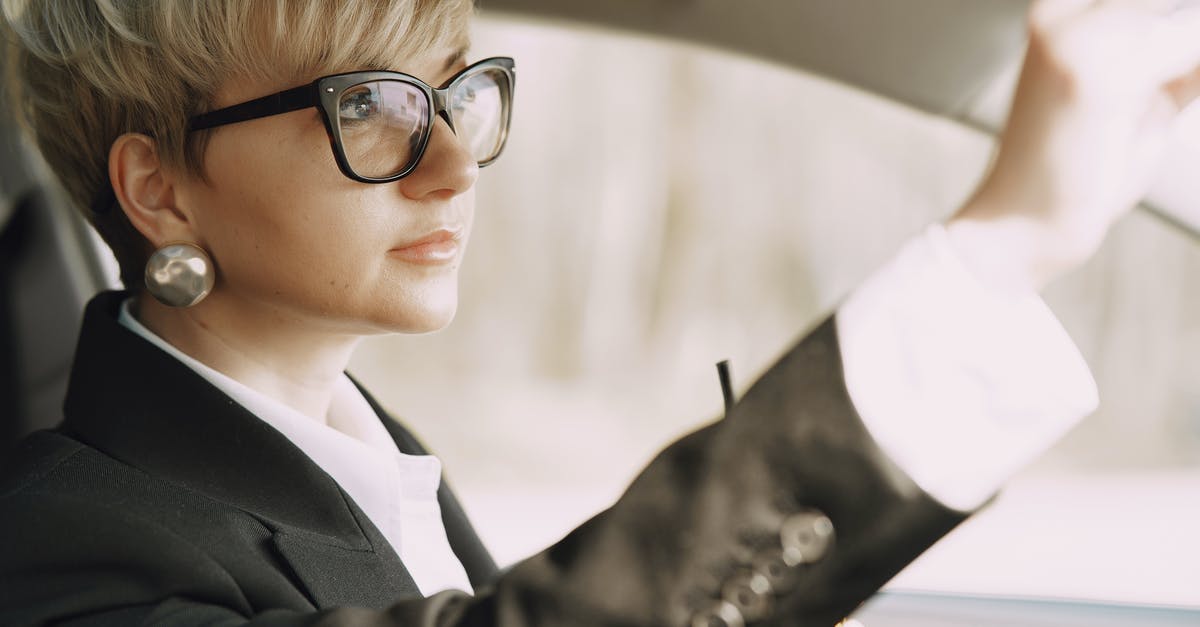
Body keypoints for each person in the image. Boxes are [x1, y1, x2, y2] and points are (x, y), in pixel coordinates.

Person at [1, 0, 1197, 625]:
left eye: (456, 95)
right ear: (158, 189)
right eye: (368, 106)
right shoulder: (60, 552)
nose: (454, 164)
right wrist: (998, 251)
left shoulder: (375, 466)